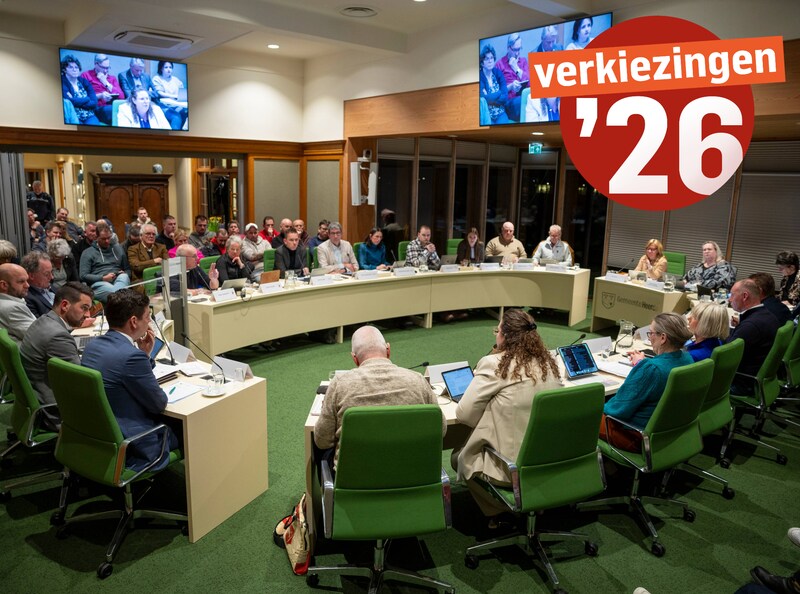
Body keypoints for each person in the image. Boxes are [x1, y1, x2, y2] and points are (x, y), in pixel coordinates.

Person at [452, 309, 561, 519]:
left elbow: (464, 415)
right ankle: (533, 502)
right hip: (547, 461)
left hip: (510, 468)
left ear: (503, 336)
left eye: (497, 330)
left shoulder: (495, 364)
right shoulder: (549, 363)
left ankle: (500, 513)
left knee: (459, 457)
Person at [314, 325, 445, 468]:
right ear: (388, 350)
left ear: (355, 359)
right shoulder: (418, 380)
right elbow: (441, 429)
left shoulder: (339, 384)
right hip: (413, 473)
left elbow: (322, 441)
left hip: (356, 478)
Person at [81, 290, 179, 472]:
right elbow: (159, 404)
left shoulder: (92, 346)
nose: (149, 322)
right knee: (194, 426)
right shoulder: (131, 357)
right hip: (134, 444)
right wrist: (142, 357)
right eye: (147, 317)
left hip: (97, 435)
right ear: (134, 321)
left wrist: (144, 355)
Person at [600, 313, 694, 452]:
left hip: (637, 436)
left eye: (651, 333)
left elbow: (616, 410)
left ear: (663, 338)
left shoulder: (651, 369)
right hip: (669, 434)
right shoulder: (687, 359)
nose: (649, 338)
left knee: (579, 416)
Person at [20, 282, 93, 429]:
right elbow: (83, 383)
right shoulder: (58, 336)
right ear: (65, 305)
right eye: (84, 308)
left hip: (38, 397)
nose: (88, 315)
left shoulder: (43, 320)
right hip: (56, 411)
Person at [726, 279, 783, 395]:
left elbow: (726, 357)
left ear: (745, 296)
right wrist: (737, 328)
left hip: (743, 383)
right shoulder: (768, 316)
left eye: (732, 295)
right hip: (760, 378)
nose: (729, 299)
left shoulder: (750, 326)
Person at [79, 222, 130, 303]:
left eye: (109, 238)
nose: (107, 241)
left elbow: (127, 269)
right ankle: (122, 301)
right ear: (96, 237)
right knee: (117, 293)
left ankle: (120, 301)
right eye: (103, 239)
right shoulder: (87, 252)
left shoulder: (118, 248)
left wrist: (124, 273)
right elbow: (83, 275)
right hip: (99, 283)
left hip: (118, 278)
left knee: (124, 276)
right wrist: (102, 278)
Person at [80, 53, 124, 125]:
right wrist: (100, 96)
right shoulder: (86, 75)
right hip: (95, 108)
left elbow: (122, 96)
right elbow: (83, 97)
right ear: (96, 64)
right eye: (103, 67)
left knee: (122, 108)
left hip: (110, 106)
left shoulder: (112, 78)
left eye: (108, 68)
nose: (106, 71)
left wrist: (106, 83)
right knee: (113, 110)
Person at [60, 54, 101, 126]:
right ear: (64, 69)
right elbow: (69, 102)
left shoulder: (84, 81)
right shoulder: (62, 82)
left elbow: (94, 102)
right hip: (74, 115)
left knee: (95, 129)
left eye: (76, 67)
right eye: (70, 67)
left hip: (89, 115)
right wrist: (87, 99)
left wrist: (76, 101)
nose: (74, 70)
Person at [496, 33, 529, 122]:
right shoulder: (500, 64)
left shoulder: (523, 61)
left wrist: (516, 68)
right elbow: (497, 92)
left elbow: (530, 83)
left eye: (519, 49)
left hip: (523, 98)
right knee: (522, 101)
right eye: (515, 50)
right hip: (509, 103)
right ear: (508, 47)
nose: (517, 53)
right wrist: (510, 87)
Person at [0, 263, 36, 343]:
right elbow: (40, 336)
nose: (27, 285)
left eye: (27, 280)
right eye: (21, 281)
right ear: (4, 285)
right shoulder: (13, 308)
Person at [478, 43, 510, 125]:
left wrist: (490, 98)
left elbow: (505, 97)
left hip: (501, 113)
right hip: (487, 115)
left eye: (492, 58)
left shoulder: (498, 73)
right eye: (487, 59)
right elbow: (484, 100)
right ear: (482, 63)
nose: (490, 61)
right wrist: (499, 93)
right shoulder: (480, 77)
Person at [152, 60, 187, 130]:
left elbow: (182, 93)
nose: (169, 69)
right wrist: (174, 96)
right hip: (163, 106)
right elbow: (159, 93)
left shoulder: (176, 80)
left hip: (177, 105)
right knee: (176, 117)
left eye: (170, 67)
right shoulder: (157, 79)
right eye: (166, 67)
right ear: (161, 68)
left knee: (186, 113)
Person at [21, 251, 54, 318]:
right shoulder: (27, 299)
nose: (52, 277)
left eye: (51, 272)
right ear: (31, 276)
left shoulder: (51, 287)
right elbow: (39, 323)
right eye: (46, 274)